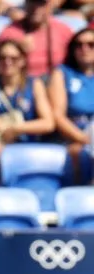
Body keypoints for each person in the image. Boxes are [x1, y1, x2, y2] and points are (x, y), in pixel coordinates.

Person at [0, 39, 54, 155]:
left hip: (26, 143)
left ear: (22, 61)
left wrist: (16, 129)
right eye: (2, 58)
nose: (7, 62)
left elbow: (48, 123)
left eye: (13, 58)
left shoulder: (34, 84)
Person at [49, 28, 94, 180]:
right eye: (78, 45)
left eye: (90, 44)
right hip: (74, 137)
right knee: (80, 153)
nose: (84, 49)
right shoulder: (62, 73)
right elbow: (58, 115)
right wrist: (84, 139)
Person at [0, 0, 74, 79]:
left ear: (51, 5)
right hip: (24, 85)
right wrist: (18, 50)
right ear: (25, 4)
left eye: (41, 3)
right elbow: (0, 69)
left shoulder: (63, 31)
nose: (36, 8)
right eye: (32, 2)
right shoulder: (9, 32)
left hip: (57, 83)